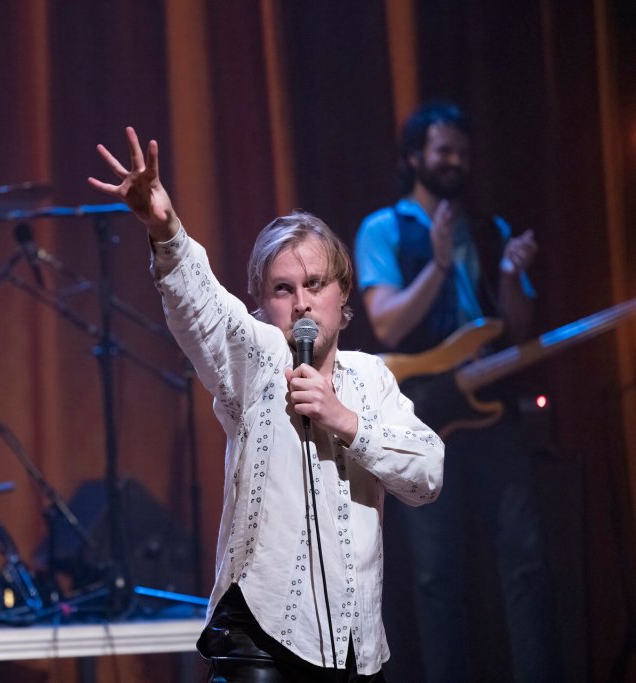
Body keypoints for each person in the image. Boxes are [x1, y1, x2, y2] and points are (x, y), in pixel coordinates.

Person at [89, 127, 444, 681]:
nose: (301, 302)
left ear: (343, 290)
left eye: (315, 283)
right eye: (282, 289)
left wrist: (346, 422)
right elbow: (204, 310)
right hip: (260, 634)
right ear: (264, 302)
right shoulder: (257, 358)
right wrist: (165, 230)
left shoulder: (373, 379)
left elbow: (428, 473)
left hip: (354, 642)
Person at [354, 102, 560, 682]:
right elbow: (387, 324)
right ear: (415, 156)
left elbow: (516, 329)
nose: (455, 162)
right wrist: (439, 266)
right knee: (436, 574)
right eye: (444, 151)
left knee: (526, 562)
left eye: (463, 153)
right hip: (424, 419)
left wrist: (512, 276)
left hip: (493, 413)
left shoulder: (490, 230)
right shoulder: (384, 229)